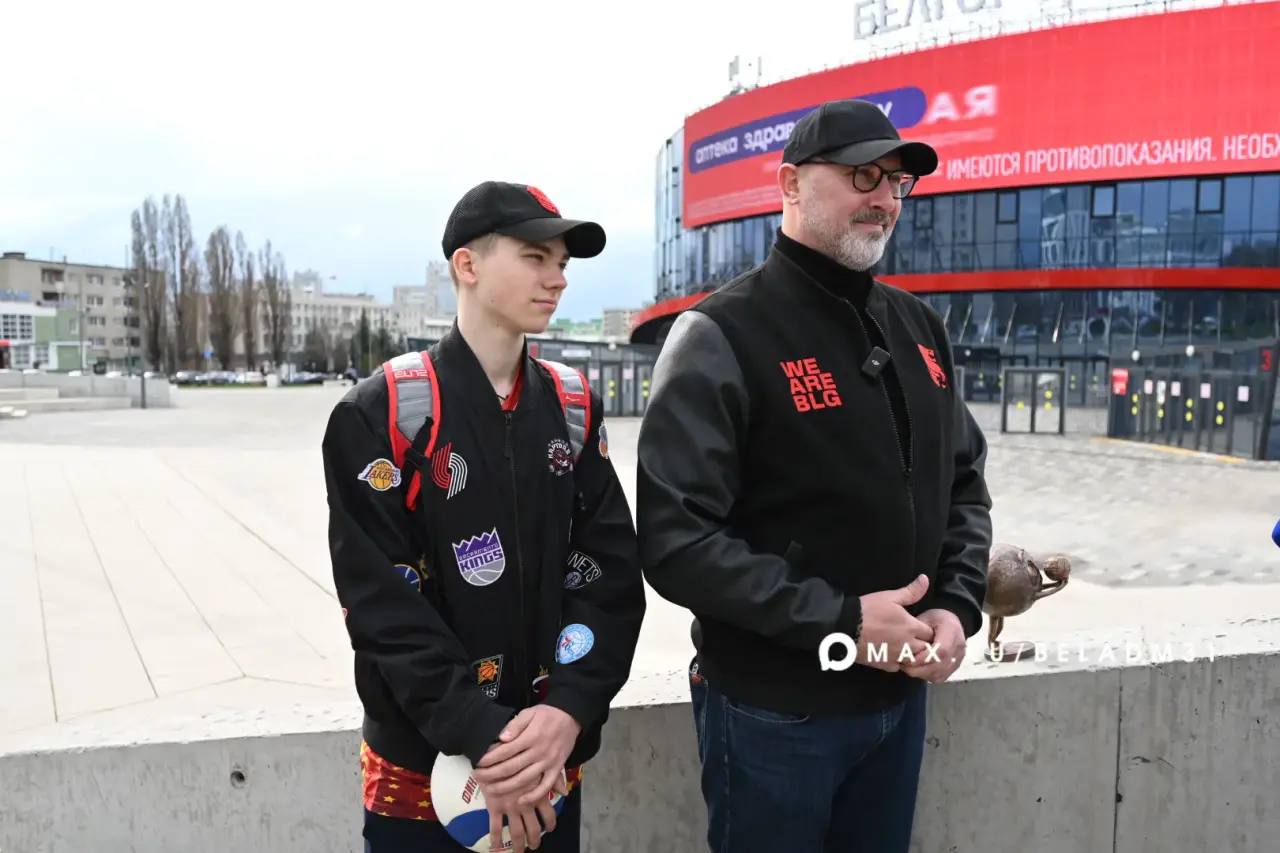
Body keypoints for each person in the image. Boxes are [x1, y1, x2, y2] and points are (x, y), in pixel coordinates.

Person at [636, 99, 993, 853]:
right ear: (790, 184)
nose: (887, 199)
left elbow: (963, 484)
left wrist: (959, 604)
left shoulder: (920, 328)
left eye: (899, 182)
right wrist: (843, 621)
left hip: (901, 704)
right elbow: (676, 540)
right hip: (775, 716)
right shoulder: (720, 334)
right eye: (864, 175)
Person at [324, 181, 646, 853]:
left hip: (546, 765)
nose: (557, 278)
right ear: (466, 266)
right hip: (424, 782)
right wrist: (483, 735)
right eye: (536, 256)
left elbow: (608, 576)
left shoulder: (572, 406)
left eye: (563, 262)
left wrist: (568, 708)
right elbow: (383, 606)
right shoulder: (382, 413)